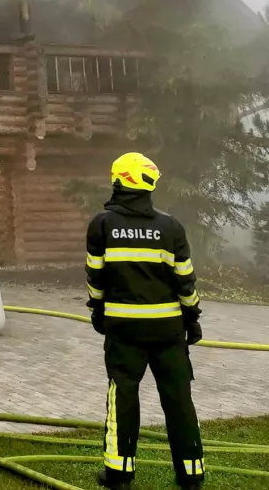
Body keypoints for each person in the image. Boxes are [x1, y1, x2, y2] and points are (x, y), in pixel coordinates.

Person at [86, 152, 204, 490]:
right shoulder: (170, 227)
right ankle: (191, 474)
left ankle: (119, 474)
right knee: (179, 400)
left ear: (120, 181)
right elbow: (185, 280)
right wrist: (192, 318)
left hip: (123, 332)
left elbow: (95, 276)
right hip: (168, 332)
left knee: (122, 397)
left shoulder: (102, 225)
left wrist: (97, 310)